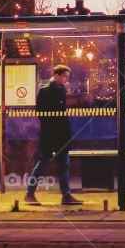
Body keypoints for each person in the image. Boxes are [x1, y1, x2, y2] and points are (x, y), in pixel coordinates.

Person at [24, 64, 82, 205]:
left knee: (49, 163)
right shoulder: (51, 91)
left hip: (52, 133)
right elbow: (47, 113)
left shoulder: (54, 90)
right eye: (65, 76)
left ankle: (33, 193)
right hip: (54, 134)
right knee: (54, 163)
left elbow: (43, 114)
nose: (66, 79)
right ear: (57, 75)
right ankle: (62, 195)